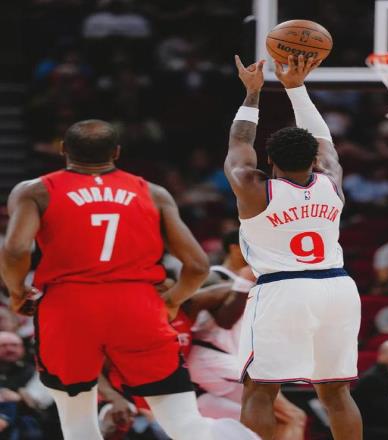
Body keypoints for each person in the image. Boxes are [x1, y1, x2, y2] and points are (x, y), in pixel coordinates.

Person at [0, 119, 230, 440]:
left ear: (63, 150)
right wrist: (172, 300)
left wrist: (16, 292)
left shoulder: (34, 190)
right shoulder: (153, 193)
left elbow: (15, 252)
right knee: (184, 421)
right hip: (138, 305)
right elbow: (198, 265)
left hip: (68, 307)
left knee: (77, 422)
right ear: (117, 152)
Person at [225, 54, 362, 440]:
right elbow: (325, 141)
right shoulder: (331, 180)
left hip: (283, 290)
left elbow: (239, 142)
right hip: (337, 287)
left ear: (269, 159)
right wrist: (296, 88)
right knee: (335, 392)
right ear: (316, 159)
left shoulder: (253, 188)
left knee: (259, 390)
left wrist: (252, 93)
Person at [187, 230, 306, 439]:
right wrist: (244, 283)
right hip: (213, 358)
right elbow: (225, 320)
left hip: (232, 360)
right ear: (235, 248)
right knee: (292, 416)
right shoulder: (213, 276)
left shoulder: (257, 281)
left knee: (273, 423)